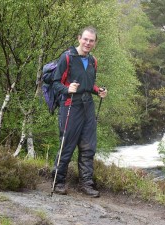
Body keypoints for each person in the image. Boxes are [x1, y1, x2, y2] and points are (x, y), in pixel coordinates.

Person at [51, 26, 107, 197]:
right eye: (85, 39)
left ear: (95, 43)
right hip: (70, 105)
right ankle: (58, 182)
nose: (88, 43)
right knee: (66, 145)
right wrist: (68, 88)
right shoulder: (67, 57)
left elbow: (88, 85)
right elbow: (55, 83)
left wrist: (99, 91)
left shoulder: (92, 61)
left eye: (91, 40)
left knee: (88, 147)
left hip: (87, 106)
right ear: (79, 38)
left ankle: (86, 184)